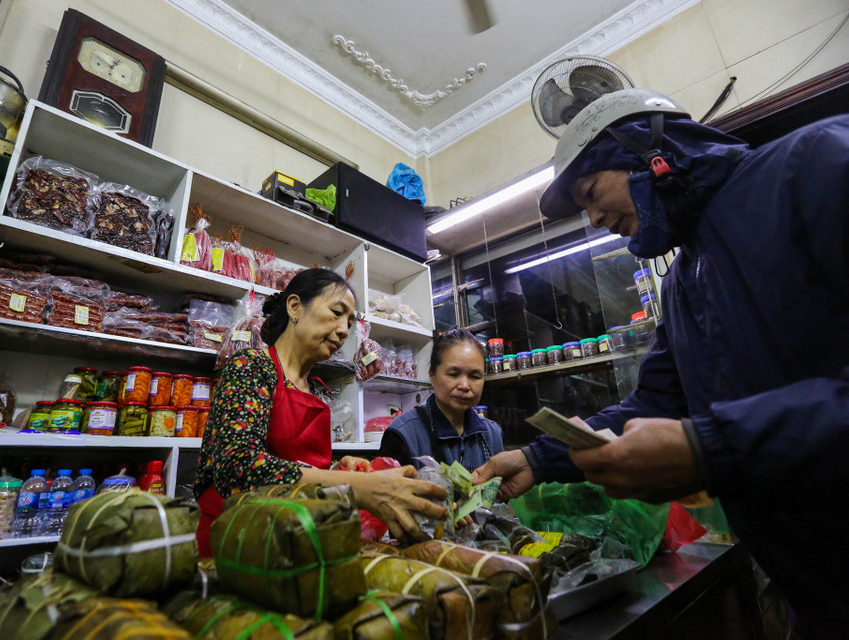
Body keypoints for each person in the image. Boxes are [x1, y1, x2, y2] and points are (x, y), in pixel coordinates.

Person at [472, 88, 849, 638]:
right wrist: (540, 456)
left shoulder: (814, 163)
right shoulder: (681, 280)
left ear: (650, 151)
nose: (595, 216)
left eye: (592, 192)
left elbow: (710, 437)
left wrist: (710, 448)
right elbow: (655, 404)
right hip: (814, 593)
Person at [194, 268, 447, 556]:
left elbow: (295, 467)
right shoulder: (251, 366)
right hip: (234, 542)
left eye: (350, 322)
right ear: (294, 307)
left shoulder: (313, 387)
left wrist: (336, 471)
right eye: (337, 312)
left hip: (293, 539)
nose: (343, 329)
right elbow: (238, 467)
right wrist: (356, 487)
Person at [378, 329, 504, 472]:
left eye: (475, 376)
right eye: (453, 374)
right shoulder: (403, 434)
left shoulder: (492, 434)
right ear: (433, 376)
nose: (464, 386)